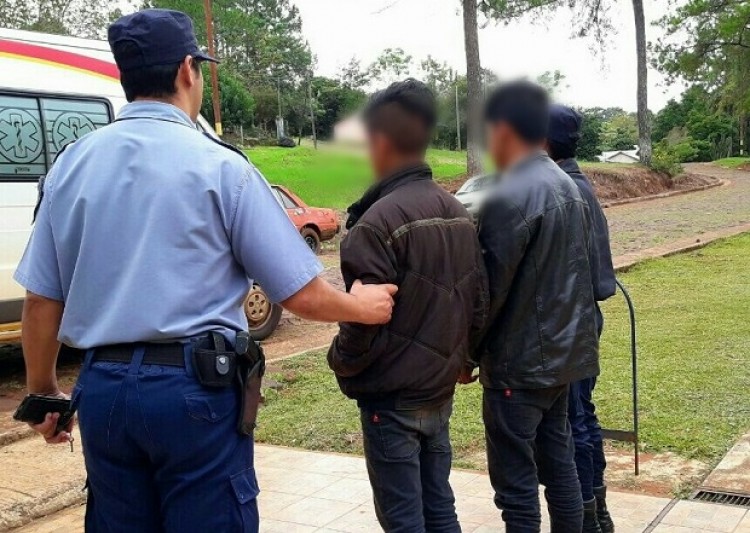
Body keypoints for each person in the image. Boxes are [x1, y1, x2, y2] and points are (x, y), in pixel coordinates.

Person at [16, 9, 396, 532]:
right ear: (186, 71)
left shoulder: (70, 164)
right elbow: (301, 295)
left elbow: (42, 299)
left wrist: (43, 391)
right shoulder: (221, 166)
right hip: (193, 392)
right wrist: (363, 307)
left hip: (102, 390)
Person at [328, 79, 488, 533]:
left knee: (403, 520)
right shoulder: (458, 213)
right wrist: (465, 359)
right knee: (439, 508)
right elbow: (479, 301)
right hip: (439, 391)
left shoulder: (374, 225)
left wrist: (341, 361)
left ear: (380, 142)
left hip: (392, 399)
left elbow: (361, 321)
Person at [470, 81, 599, 533]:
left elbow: (490, 288)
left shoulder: (509, 193)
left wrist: (467, 354)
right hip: (563, 359)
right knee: (560, 467)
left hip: (520, 365)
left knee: (517, 486)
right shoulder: (567, 183)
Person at [547, 105, 617, 533]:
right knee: (582, 416)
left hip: (571, 322)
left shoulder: (564, 191)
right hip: (584, 317)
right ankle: (597, 512)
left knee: (574, 421)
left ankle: (588, 515)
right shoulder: (579, 186)